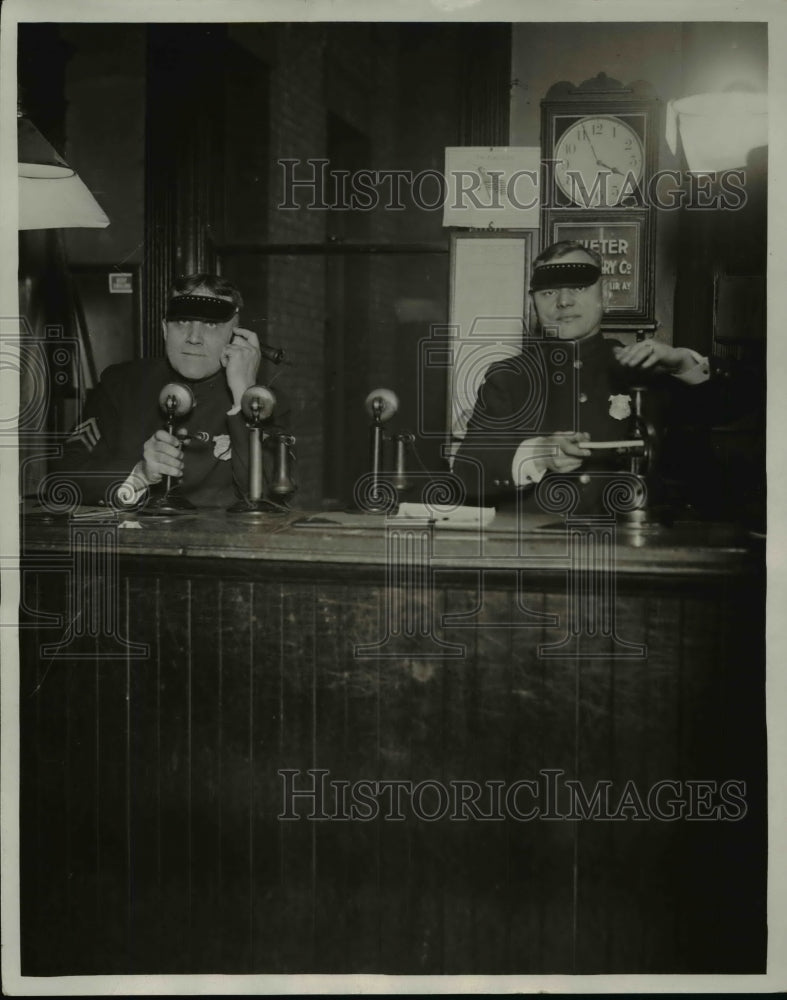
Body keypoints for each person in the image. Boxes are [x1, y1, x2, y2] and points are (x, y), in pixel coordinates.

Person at [453, 241, 713, 513]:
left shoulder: (648, 368)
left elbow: (740, 406)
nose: (563, 301)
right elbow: (467, 474)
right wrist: (536, 455)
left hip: (630, 546)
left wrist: (683, 362)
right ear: (533, 304)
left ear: (607, 296)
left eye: (578, 287)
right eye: (549, 291)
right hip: (538, 547)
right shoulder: (509, 377)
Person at [52, 272, 283, 508]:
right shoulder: (122, 384)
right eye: (182, 321)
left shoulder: (264, 401)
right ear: (164, 329)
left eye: (211, 324)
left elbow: (272, 501)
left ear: (235, 337)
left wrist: (244, 395)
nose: (194, 338)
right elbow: (60, 479)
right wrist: (138, 475)